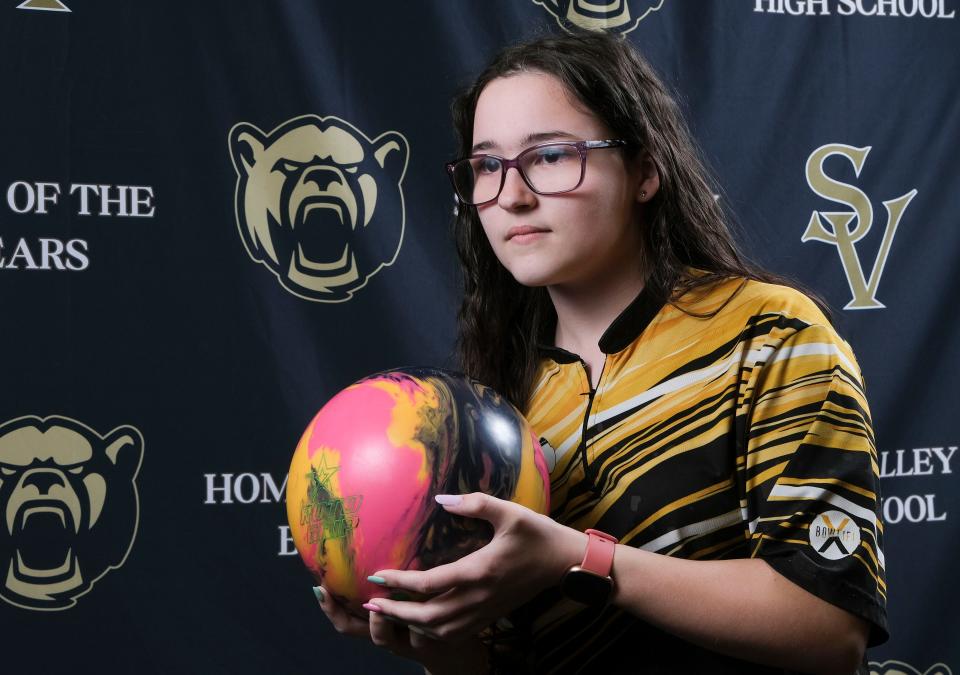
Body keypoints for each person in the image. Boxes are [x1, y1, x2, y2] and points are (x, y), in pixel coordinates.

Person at [315, 31, 888, 674]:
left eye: (552, 156)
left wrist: (579, 558)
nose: (512, 196)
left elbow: (830, 627)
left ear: (645, 170)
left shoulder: (768, 333)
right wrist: (439, 641)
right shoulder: (501, 413)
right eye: (486, 166)